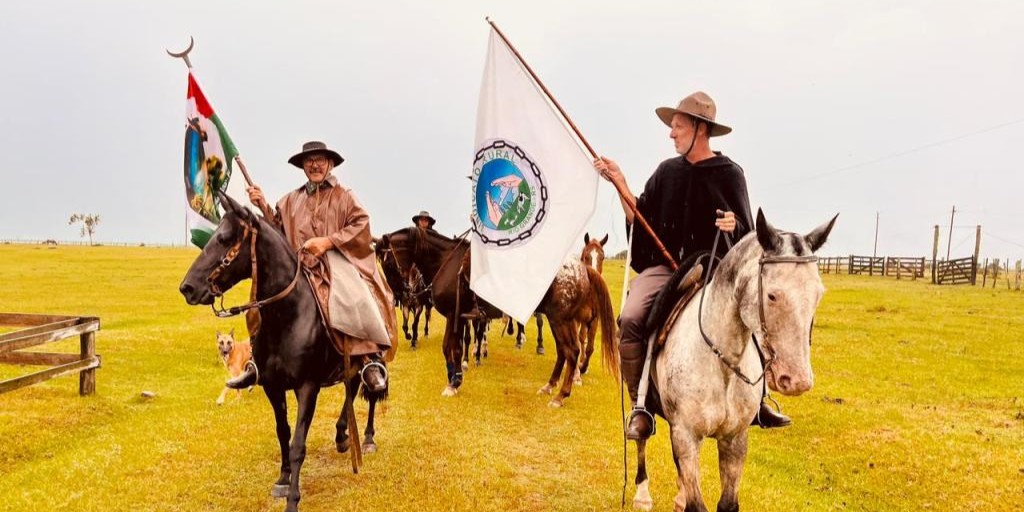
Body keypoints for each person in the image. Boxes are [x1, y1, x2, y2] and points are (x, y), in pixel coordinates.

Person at [594, 91, 788, 440]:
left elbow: (749, 237)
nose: (671, 134)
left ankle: (759, 398)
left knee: (752, 316)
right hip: (665, 271)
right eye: (672, 128)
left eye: (678, 127)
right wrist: (620, 182)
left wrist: (735, 226)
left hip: (716, 272)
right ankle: (641, 406)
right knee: (631, 318)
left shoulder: (730, 175)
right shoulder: (666, 172)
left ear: (700, 129)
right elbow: (642, 220)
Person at [244, 141, 396, 391]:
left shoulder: (344, 196)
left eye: (320, 160)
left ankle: (368, 358)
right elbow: (278, 230)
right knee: (259, 301)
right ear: (303, 166)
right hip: (298, 267)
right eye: (309, 161)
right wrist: (261, 204)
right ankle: (257, 359)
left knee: (354, 299)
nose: (314, 165)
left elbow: (361, 224)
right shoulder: (290, 200)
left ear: (330, 164)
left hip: (335, 265)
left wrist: (328, 242)